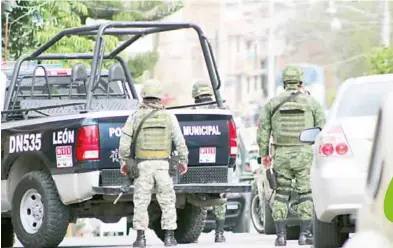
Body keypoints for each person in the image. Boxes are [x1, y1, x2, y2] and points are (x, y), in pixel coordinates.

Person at [256, 65, 325, 246]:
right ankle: (305, 235)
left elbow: (263, 131)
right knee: (305, 194)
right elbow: (322, 129)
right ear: (301, 82)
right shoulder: (312, 103)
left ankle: (280, 237)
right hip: (304, 154)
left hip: (281, 154)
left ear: (284, 82)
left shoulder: (272, 104)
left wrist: (264, 154)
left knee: (281, 195)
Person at [119, 79, 189, 247]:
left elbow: (124, 143)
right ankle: (170, 237)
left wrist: (124, 162)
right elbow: (180, 142)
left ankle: (141, 238)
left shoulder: (135, 117)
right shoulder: (169, 116)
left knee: (141, 201)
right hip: (163, 166)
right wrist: (183, 160)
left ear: (143, 96)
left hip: (143, 166)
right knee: (167, 201)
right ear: (159, 97)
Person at [191, 80, 227, 243]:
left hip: (194, 165)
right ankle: (219, 233)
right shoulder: (221, 111)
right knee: (219, 196)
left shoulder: (190, 113)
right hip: (217, 162)